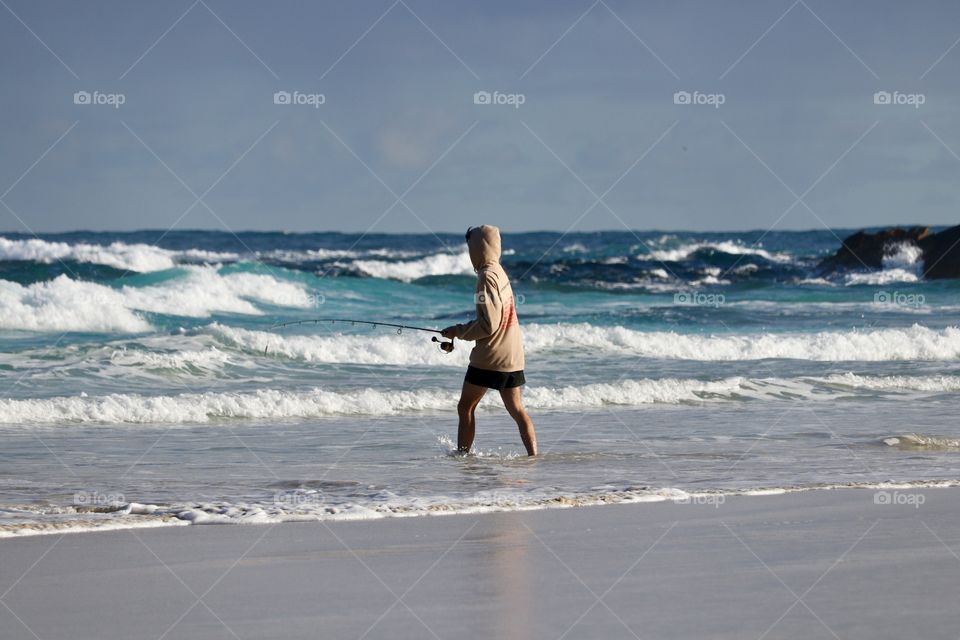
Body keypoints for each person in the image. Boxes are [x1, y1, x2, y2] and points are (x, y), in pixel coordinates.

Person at [442, 225, 538, 456]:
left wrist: (458, 331)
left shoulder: (486, 277)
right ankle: (534, 458)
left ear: (477, 247)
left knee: (465, 406)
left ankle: (463, 456)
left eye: (470, 247)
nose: (469, 252)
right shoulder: (500, 271)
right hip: (512, 354)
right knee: (517, 410)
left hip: (490, 357)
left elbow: (489, 325)